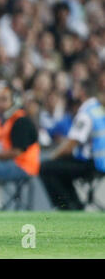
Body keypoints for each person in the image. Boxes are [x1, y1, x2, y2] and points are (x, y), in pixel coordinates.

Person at [39, 75, 105, 210]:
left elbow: (71, 145)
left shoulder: (85, 113)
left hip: (91, 164)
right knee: (60, 168)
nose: (72, 91)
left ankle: (67, 206)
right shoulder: (98, 109)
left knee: (46, 167)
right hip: (99, 161)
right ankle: (75, 203)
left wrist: (53, 157)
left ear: (82, 92)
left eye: (76, 88)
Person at [0, 83, 40, 210]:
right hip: (11, 162)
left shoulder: (21, 121)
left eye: (4, 100)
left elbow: (16, 152)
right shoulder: (3, 120)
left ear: (14, 100)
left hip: (23, 165)